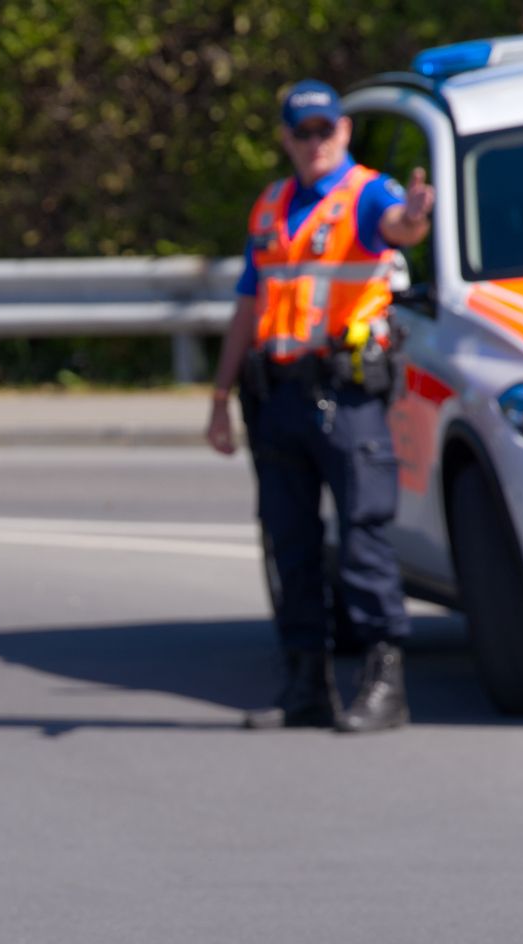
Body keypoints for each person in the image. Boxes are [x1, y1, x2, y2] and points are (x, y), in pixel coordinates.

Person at [206, 79, 434, 732]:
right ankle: (306, 686)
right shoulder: (273, 204)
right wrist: (221, 396)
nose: (314, 143)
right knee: (291, 545)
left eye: (324, 130)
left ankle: (385, 684)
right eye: (301, 132)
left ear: (344, 132)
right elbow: (249, 303)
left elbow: (401, 226)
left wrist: (417, 215)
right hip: (277, 395)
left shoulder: (368, 193)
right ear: (285, 137)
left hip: (347, 394)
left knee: (363, 536)